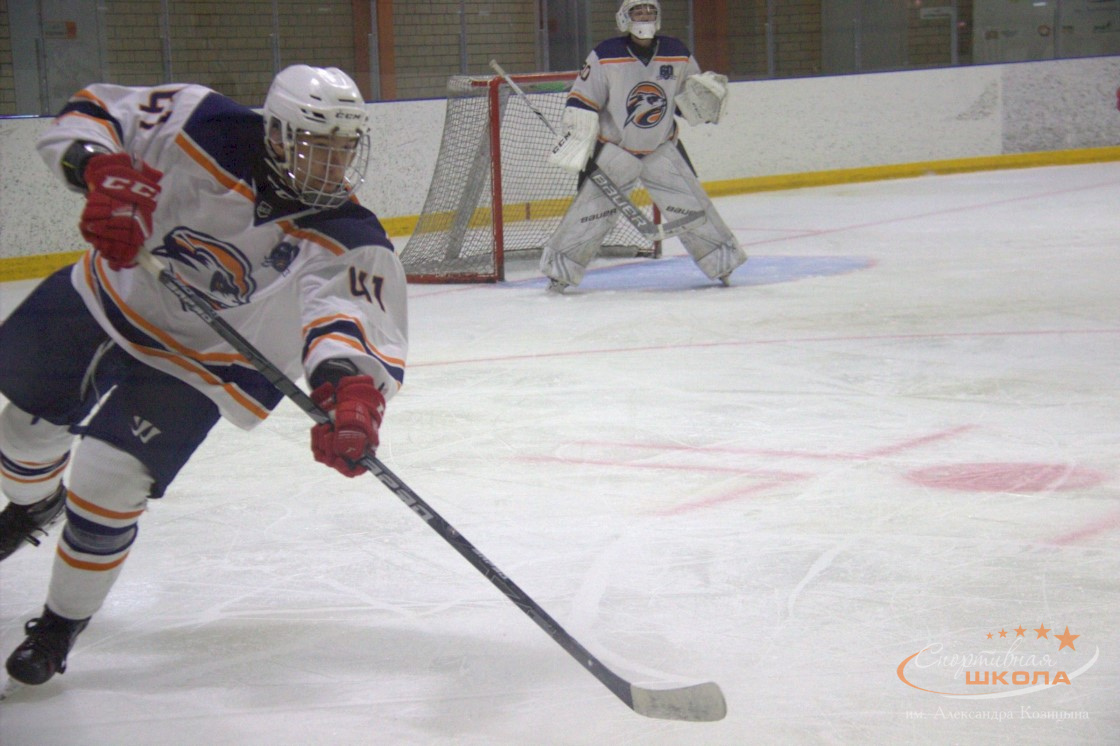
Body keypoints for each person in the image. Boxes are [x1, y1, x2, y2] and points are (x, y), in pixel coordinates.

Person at [0, 65, 408, 687]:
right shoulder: (200, 121)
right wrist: (99, 171)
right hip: (107, 298)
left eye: (343, 148)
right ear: (276, 134)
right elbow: (92, 114)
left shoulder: (350, 234)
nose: (332, 164)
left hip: (203, 363)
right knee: (22, 435)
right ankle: (35, 505)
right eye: (314, 145)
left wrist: (351, 395)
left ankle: (58, 626)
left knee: (109, 480)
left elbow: (349, 320)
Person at [540, 0, 747, 292]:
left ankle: (723, 263)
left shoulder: (677, 51)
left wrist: (705, 100)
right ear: (624, 18)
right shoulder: (605, 54)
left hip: (661, 147)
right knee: (591, 214)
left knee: (692, 206)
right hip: (615, 150)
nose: (645, 16)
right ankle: (559, 272)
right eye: (638, 11)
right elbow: (583, 98)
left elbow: (686, 102)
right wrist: (579, 134)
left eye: (651, 11)